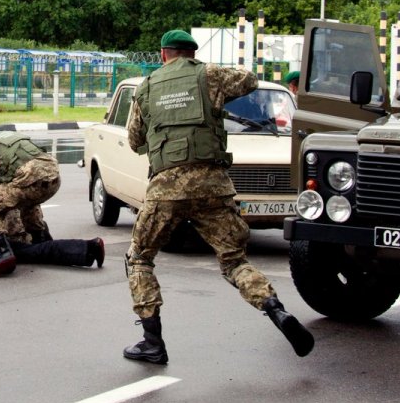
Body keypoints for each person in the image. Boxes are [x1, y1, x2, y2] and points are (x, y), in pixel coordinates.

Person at [122, 29, 314, 365]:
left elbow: (135, 141)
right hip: (214, 184)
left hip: (167, 187)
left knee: (139, 258)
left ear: (164, 54)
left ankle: (152, 341)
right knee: (234, 261)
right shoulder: (209, 75)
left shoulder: (147, 86)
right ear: (191, 54)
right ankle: (276, 311)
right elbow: (250, 80)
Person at [0, 132, 104, 268]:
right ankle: (46, 239)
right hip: (52, 176)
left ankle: (4, 254)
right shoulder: (0, 142)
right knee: (26, 204)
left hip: (27, 187)